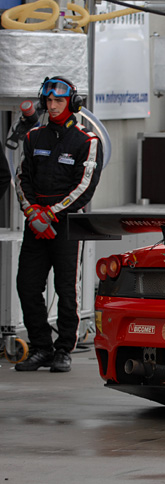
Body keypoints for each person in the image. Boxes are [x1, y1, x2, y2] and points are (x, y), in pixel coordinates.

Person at [14, 76, 103, 372]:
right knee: (27, 285)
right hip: (35, 223)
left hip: (65, 225)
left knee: (67, 289)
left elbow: (84, 187)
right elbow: (22, 178)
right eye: (48, 101)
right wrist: (32, 213)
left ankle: (64, 348)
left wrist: (51, 214)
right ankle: (41, 347)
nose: (52, 106)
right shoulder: (32, 137)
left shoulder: (87, 141)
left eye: (59, 101)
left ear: (72, 103)